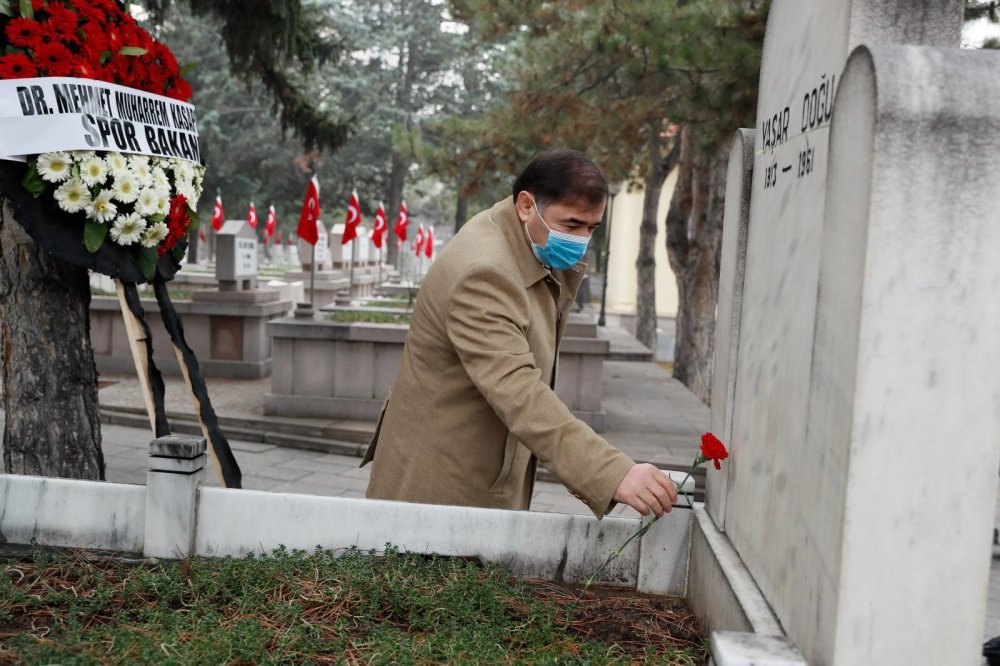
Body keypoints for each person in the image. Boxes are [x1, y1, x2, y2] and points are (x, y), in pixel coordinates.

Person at [362, 149, 676, 519]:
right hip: (441, 486)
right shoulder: (485, 273)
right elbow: (518, 389)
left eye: (592, 229)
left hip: (473, 468)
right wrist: (610, 472)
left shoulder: (526, 240)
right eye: (571, 225)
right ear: (527, 205)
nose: (581, 240)